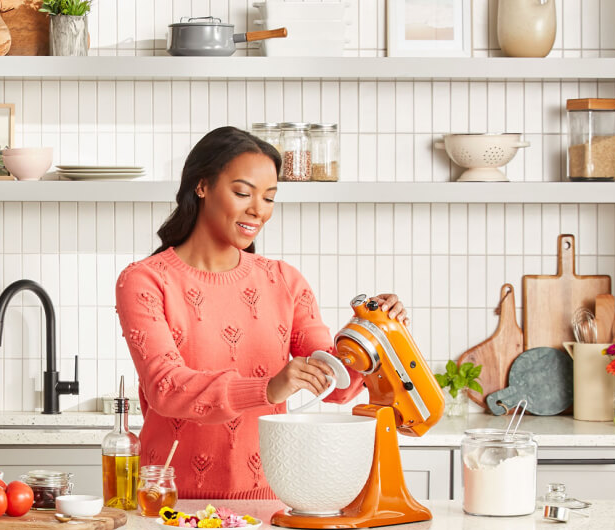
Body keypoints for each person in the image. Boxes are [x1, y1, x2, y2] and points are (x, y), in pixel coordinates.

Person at [115, 126, 408, 500]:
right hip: (172, 502)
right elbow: (166, 388)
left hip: (270, 501)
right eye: (242, 193)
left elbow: (335, 385)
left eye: (269, 198)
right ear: (201, 186)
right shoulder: (145, 280)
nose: (258, 210)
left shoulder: (284, 281)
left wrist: (375, 332)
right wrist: (268, 388)